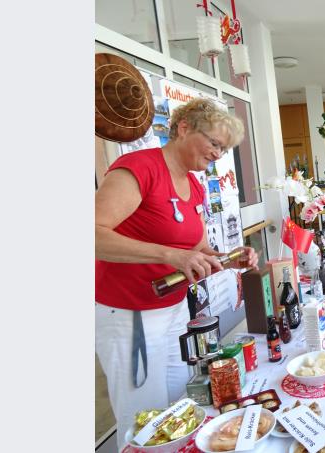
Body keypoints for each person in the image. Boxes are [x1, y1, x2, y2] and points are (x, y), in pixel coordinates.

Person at [95, 98, 259, 449]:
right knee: (142, 419)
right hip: (131, 312)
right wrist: (169, 255)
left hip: (173, 310)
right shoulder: (140, 168)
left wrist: (231, 258)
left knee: (176, 405)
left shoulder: (194, 184)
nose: (218, 154)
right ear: (184, 128)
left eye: (224, 149)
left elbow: (199, 249)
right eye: (214, 143)